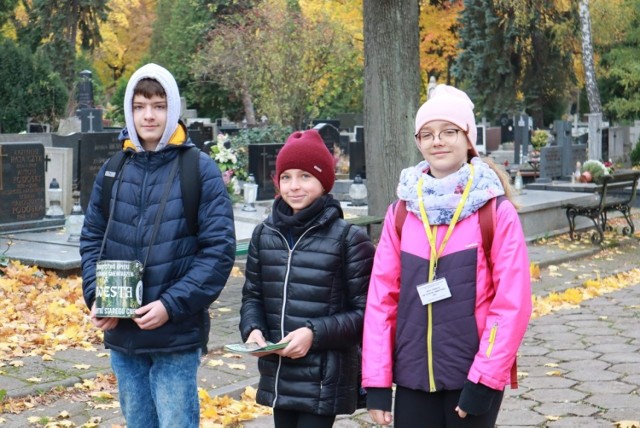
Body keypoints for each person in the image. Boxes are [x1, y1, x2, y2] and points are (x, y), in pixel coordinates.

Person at [362, 84, 532, 427]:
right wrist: (377, 383)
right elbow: (382, 301)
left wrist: (484, 378)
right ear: (418, 142)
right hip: (411, 378)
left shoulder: (494, 212)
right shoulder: (401, 212)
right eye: (427, 133)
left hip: (470, 376)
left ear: (468, 137)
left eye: (448, 131)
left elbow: (512, 303)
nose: (436, 140)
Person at [80, 63, 236, 428]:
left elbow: (217, 252)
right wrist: (96, 297)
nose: (148, 115)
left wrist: (170, 305)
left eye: (159, 105)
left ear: (173, 109)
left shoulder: (199, 170)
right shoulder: (113, 169)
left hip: (175, 336)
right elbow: (92, 239)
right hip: (122, 334)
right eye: (139, 106)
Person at [239, 129, 375, 428]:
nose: (294, 186)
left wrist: (314, 334)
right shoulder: (265, 234)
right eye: (286, 177)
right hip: (277, 373)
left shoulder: (349, 240)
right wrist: (253, 329)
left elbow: (366, 315)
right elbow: (252, 295)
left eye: (305, 176)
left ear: (323, 181)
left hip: (323, 379)